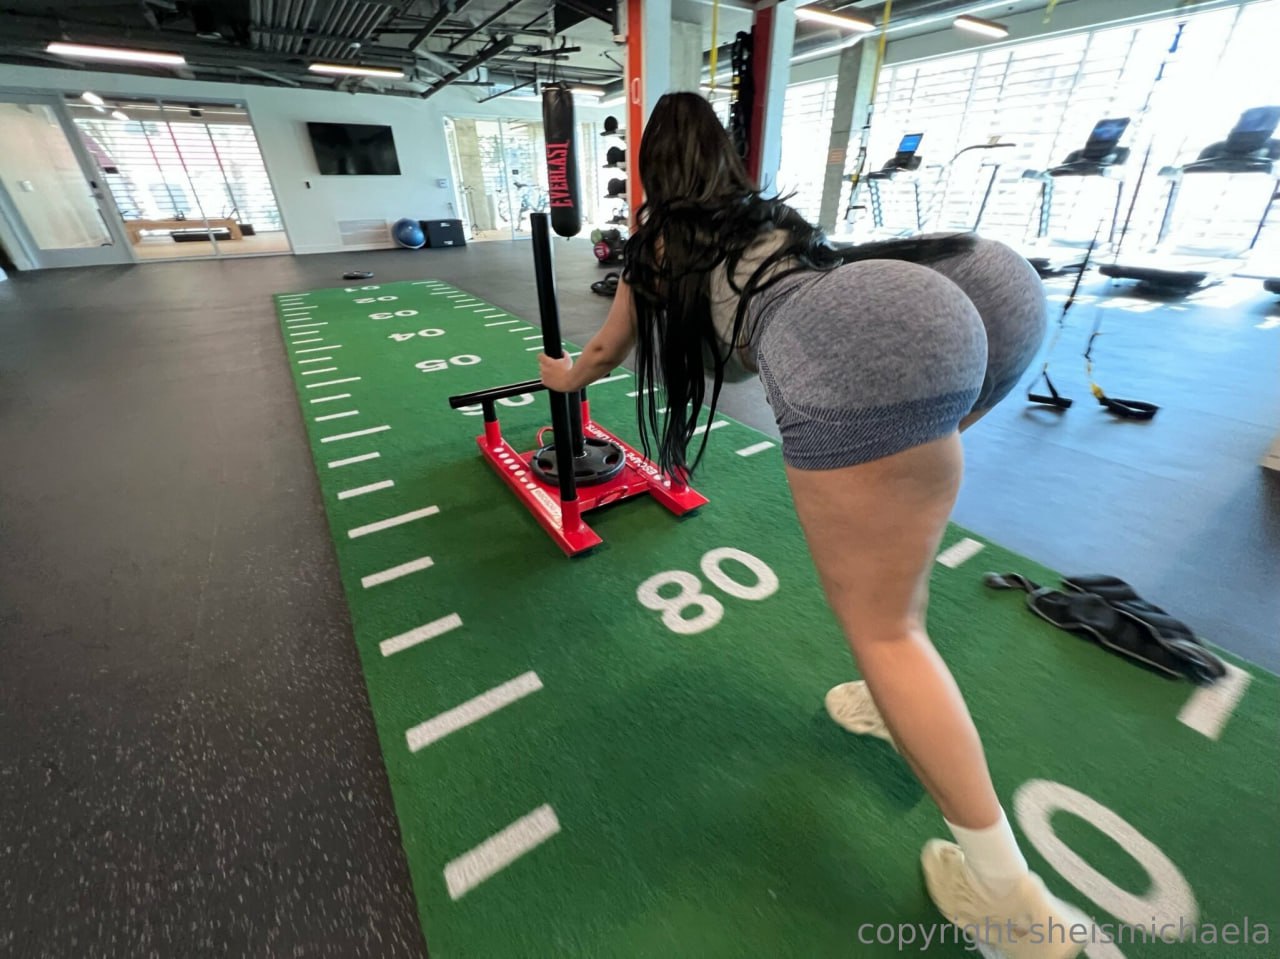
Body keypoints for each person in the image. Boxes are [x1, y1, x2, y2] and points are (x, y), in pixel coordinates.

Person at [539, 92, 1094, 958]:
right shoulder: (768, 216)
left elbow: (609, 349)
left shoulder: (661, 243)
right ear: (722, 155)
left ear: (651, 169)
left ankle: (1010, 901)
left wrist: (564, 377)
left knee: (887, 628)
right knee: (896, 579)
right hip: (979, 288)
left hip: (864, 346)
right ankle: (894, 701)